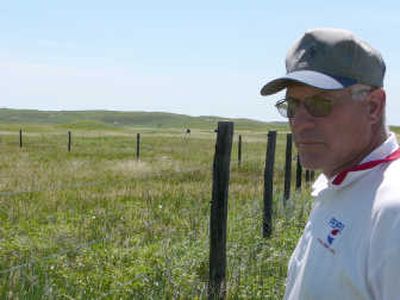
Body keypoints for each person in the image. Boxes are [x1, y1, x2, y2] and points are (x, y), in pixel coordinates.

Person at [260, 28, 400, 299]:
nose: (299, 123)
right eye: (292, 105)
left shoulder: (392, 214)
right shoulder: (338, 181)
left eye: (320, 104)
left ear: (373, 106)